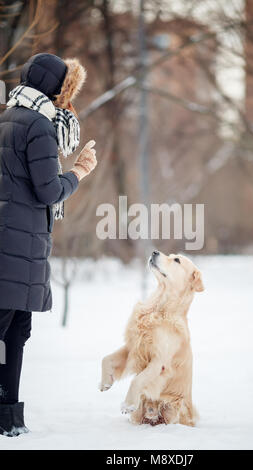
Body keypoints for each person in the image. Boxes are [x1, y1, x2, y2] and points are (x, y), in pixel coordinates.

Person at [0, 53, 97, 437]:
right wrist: (79, 171)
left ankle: (9, 419)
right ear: (53, 89)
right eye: (63, 90)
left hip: (12, 242)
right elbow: (49, 190)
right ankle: (7, 417)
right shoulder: (38, 127)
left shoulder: (6, 119)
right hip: (18, 247)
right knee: (11, 332)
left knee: (13, 331)